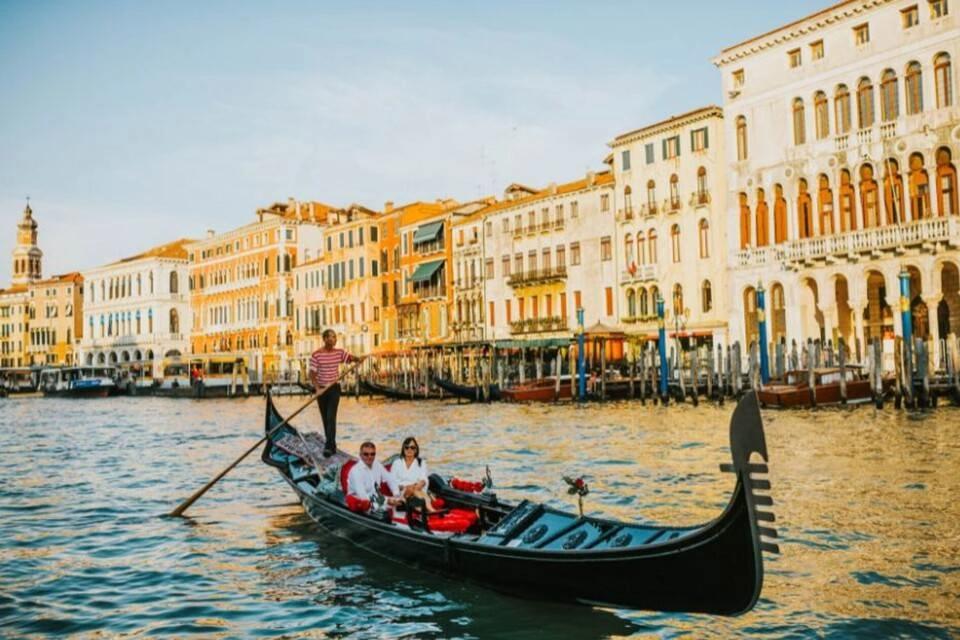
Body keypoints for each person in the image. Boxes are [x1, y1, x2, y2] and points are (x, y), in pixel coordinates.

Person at [309, 329, 364, 457]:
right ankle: (332, 445)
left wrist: (358, 359)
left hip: (334, 388)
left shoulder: (339, 353)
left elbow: (349, 358)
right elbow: (312, 374)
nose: (333, 340)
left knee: (330, 417)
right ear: (324, 339)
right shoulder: (316, 355)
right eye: (330, 337)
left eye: (334, 337)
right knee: (325, 419)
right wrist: (317, 388)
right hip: (322, 389)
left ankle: (328, 446)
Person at [346, 442, 401, 506]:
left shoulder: (377, 464)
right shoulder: (356, 471)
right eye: (366, 454)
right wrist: (386, 501)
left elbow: (389, 478)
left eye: (372, 454)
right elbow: (363, 496)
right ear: (360, 455)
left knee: (401, 504)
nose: (370, 457)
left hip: (376, 498)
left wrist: (396, 494)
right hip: (359, 501)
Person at [392, 437, 438, 513]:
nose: (409, 450)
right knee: (412, 489)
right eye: (407, 447)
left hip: (417, 489)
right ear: (403, 449)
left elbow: (424, 479)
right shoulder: (397, 463)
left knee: (415, 490)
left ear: (416, 450)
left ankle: (427, 510)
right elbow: (392, 482)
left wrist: (419, 485)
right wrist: (404, 487)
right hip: (402, 491)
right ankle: (432, 510)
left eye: (412, 447)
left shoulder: (421, 462)